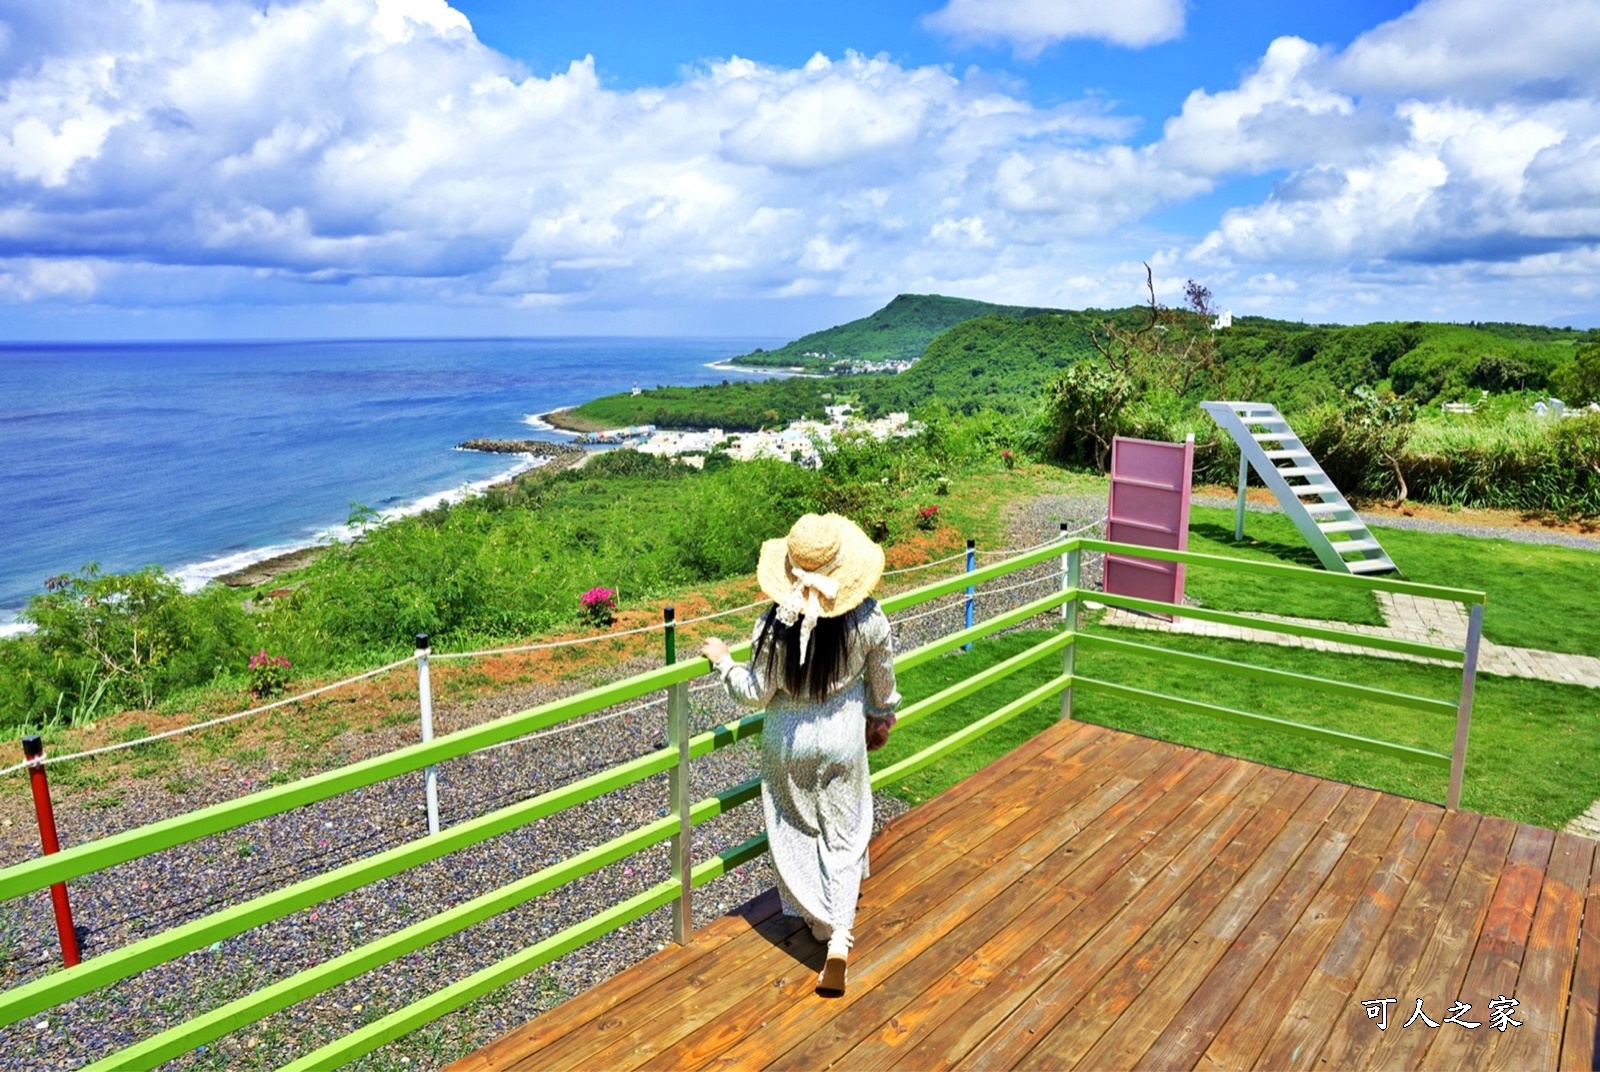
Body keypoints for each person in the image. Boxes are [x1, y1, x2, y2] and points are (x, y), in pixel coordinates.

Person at [701, 512, 900, 996]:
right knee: (845, 832)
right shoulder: (869, 618)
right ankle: (839, 935)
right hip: (842, 735)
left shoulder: (774, 624)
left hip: (787, 741)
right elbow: (883, 684)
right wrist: (879, 718)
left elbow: (755, 691)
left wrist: (722, 661)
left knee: (796, 829)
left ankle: (820, 921)